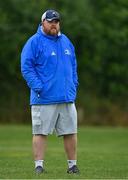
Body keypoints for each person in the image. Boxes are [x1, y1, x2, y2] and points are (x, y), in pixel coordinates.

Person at [21, 9, 79, 174]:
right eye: (50, 21)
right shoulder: (34, 42)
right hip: (44, 97)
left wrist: (73, 85)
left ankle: (72, 166)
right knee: (40, 132)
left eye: (56, 21)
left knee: (70, 131)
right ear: (42, 23)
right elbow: (26, 67)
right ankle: (39, 166)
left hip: (66, 97)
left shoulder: (66, 41)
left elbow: (73, 66)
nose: (54, 24)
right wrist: (38, 86)